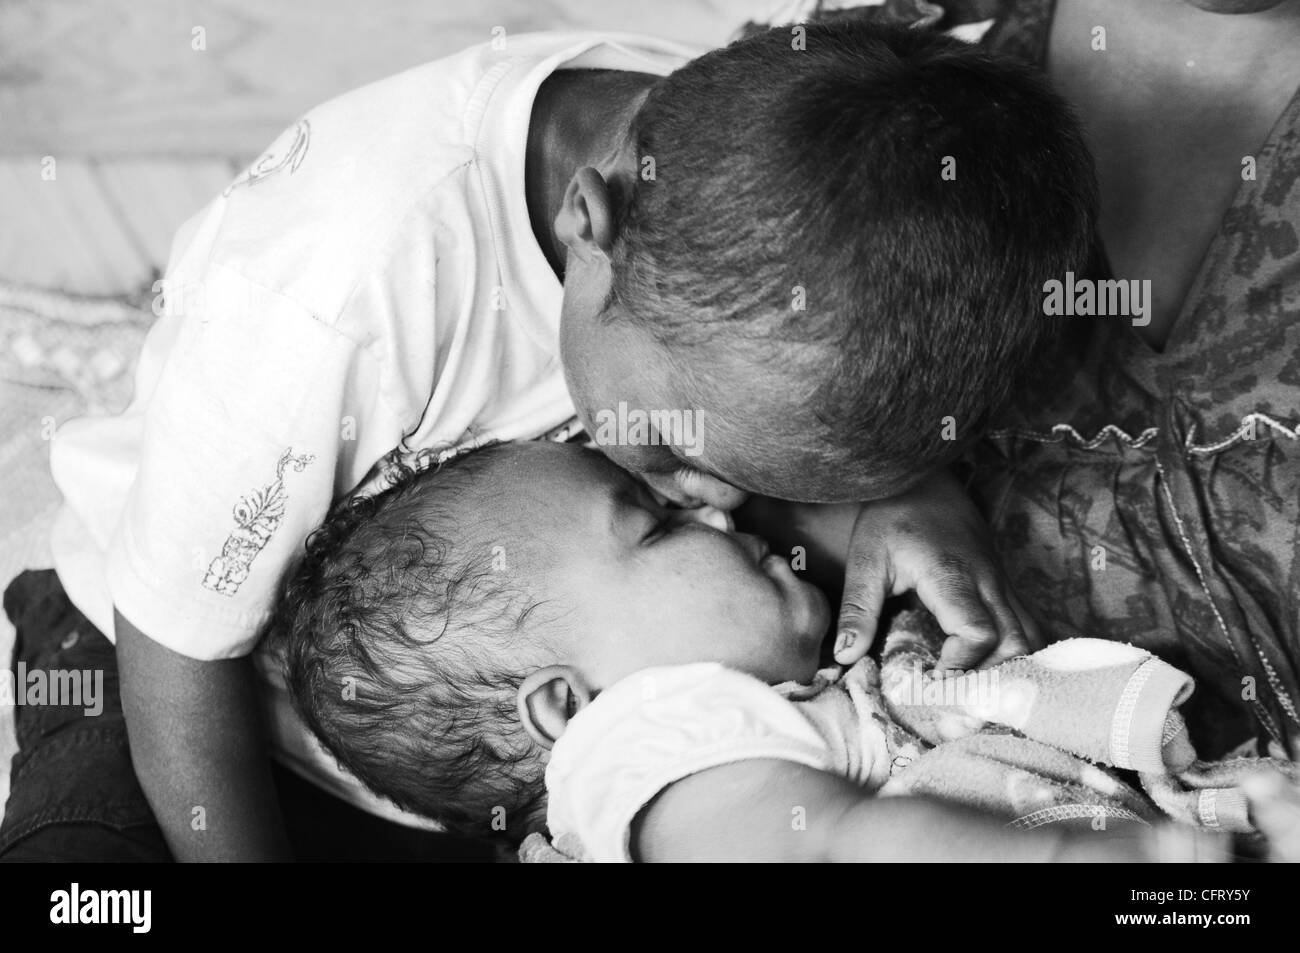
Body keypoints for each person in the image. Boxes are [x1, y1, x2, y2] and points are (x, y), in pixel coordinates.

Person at [7, 21, 1096, 859]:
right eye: (672, 456)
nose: (714, 497)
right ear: (592, 225)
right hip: (163, 672)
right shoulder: (331, 289)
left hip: (484, 738)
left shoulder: (756, 174)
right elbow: (175, 645)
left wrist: (901, 492)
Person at [272, 440, 1297, 862]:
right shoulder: (638, 744)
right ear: (565, 705)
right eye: (657, 525)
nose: (711, 509)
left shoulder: (767, 710)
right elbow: (834, 848)